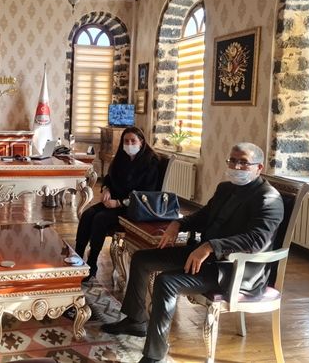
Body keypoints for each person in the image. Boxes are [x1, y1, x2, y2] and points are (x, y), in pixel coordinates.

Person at [101, 142, 284, 363]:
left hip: (234, 270)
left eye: (243, 163)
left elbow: (256, 240)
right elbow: (204, 215)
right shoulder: (225, 188)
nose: (236, 167)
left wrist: (210, 246)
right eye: (233, 161)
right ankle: (136, 321)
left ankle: (153, 355)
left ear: (259, 167)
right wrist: (178, 224)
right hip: (205, 256)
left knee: (166, 282)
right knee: (142, 259)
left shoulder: (268, 198)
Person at [75, 126, 160, 279]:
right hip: (113, 202)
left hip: (134, 207)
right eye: (126, 141)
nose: (129, 144)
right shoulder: (121, 157)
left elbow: (145, 193)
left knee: (100, 218)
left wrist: (119, 203)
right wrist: (106, 189)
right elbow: (109, 178)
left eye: (133, 141)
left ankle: (92, 262)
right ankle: (77, 258)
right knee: (88, 214)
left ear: (141, 142)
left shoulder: (150, 162)